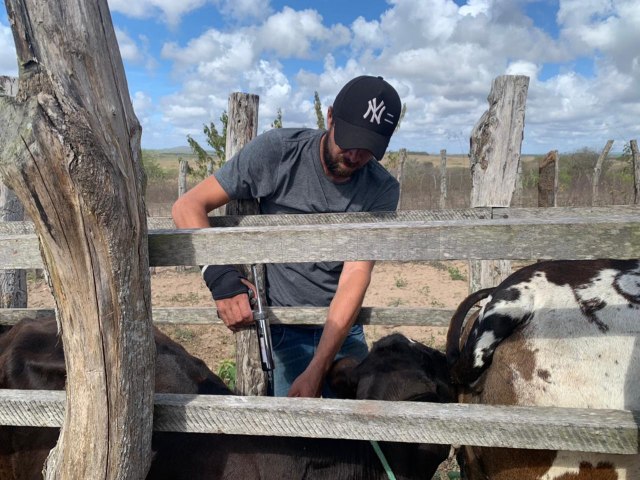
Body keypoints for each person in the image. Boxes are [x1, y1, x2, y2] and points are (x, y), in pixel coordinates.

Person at [172, 75, 402, 398]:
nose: (354, 157)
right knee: (292, 442)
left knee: (359, 438)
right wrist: (219, 276)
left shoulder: (381, 189)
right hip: (284, 329)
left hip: (342, 329)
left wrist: (317, 369)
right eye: (348, 141)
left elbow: (356, 274)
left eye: (367, 150)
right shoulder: (278, 153)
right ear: (331, 117)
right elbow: (187, 206)